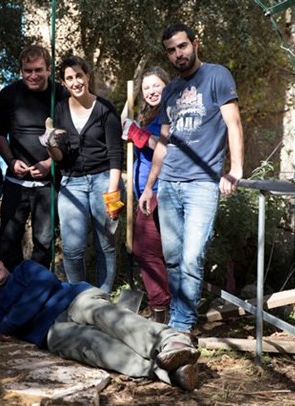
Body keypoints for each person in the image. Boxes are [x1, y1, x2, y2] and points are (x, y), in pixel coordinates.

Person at [0, 247, 201, 391]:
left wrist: (8, 323)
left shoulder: (25, 269)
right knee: (93, 345)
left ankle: (171, 342)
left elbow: (44, 284)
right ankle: (166, 371)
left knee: (107, 315)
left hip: (73, 300)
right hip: (53, 331)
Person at [139, 23, 244, 336]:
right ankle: (177, 317)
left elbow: (234, 124)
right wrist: (149, 187)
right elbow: (165, 142)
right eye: (171, 50)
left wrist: (235, 169)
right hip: (169, 183)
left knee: (191, 256)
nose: (177, 54)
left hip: (202, 183)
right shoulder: (170, 90)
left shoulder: (217, 76)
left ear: (195, 44)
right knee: (172, 258)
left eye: (182, 46)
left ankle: (181, 327)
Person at [42, 55, 123, 293]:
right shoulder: (59, 110)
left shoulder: (105, 109)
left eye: (79, 75)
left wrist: (113, 191)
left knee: (106, 243)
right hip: (71, 182)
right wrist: (50, 145)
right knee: (72, 248)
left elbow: (116, 154)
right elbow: (61, 158)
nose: (75, 81)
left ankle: (104, 296)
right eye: (69, 78)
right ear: (64, 83)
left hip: (104, 180)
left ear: (87, 76)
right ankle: (78, 296)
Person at [0, 45, 67, 271]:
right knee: (7, 240)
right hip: (16, 182)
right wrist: (11, 161)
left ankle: (38, 289)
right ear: (21, 71)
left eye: (38, 70)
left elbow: (68, 136)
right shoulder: (8, 95)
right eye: (28, 71)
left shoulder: (61, 95)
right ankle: (10, 289)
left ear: (48, 69)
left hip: (47, 184)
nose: (33, 75)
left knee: (44, 243)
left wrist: (49, 163)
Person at [122, 67, 171, 323]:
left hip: (161, 192)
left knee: (146, 250)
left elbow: (164, 147)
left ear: (167, 85)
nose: (151, 91)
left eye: (156, 86)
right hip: (146, 194)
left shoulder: (171, 110)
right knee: (151, 251)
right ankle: (161, 309)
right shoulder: (150, 114)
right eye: (146, 88)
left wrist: (137, 135)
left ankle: (162, 309)